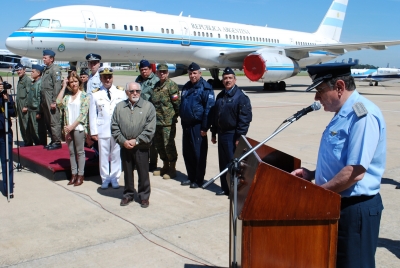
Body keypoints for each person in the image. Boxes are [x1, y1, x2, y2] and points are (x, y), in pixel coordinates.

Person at [291, 63, 386, 268]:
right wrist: (313, 174)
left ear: (340, 87)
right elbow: (340, 161)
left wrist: (318, 194)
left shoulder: (363, 115)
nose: (316, 98)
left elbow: (355, 172)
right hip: (337, 203)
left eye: (320, 90)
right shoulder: (343, 112)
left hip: (355, 209)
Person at [111, 82, 156, 208]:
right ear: (126, 92)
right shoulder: (120, 107)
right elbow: (114, 126)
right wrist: (123, 141)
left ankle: (144, 196)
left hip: (141, 147)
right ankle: (128, 194)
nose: (135, 93)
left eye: (137, 91)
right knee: (127, 173)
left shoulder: (148, 107)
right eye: (131, 91)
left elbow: (150, 129)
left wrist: (136, 140)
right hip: (125, 146)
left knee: (143, 173)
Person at [211, 67, 252, 196]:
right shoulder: (220, 95)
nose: (227, 80)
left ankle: (235, 190)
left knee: (233, 164)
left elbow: (244, 118)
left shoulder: (241, 97)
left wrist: (239, 137)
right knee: (223, 163)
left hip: (232, 135)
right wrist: (213, 132)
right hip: (222, 134)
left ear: (235, 79)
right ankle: (225, 187)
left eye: (230, 78)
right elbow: (215, 115)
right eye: (225, 78)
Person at [89, 67, 126, 189]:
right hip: (102, 129)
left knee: (116, 155)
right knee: (104, 155)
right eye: (104, 77)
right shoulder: (95, 94)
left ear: (112, 77)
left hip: (117, 130)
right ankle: (105, 178)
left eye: (109, 76)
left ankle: (115, 178)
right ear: (100, 78)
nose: (107, 79)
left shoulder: (121, 93)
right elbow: (93, 114)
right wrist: (93, 132)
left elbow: (124, 112)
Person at [180, 62, 215, 188]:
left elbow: (209, 109)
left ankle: (199, 179)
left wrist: (205, 127)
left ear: (200, 73)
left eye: (195, 73)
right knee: (187, 153)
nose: (192, 75)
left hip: (198, 126)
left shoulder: (206, 88)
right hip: (187, 125)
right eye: (190, 73)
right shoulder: (186, 87)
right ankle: (191, 177)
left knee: (198, 153)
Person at [57, 71, 90, 186]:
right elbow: (58, 102)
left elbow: (83, 114)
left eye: (75, 81)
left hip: (78, 127)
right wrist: (63, 87)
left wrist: (72, 127)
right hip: (68, 127)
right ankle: (73, 174)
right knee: (71, 152)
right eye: (71, 82)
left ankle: (81, 175)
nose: (74, 84)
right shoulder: (67, 97)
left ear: (79, 82)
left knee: (80, 152)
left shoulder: (84, 95)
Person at [150, 64, 180, 180]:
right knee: (159, 145)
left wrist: (174, 117)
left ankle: (172, 168)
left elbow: (177, 104)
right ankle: (165, 166)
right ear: (157, 73)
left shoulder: (171, 85)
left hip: (168, 122)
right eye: (160, 72)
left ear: (167, 73)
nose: (162, 73)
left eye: (164, 72)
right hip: (157, 122)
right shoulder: (156, 86)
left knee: (169, 145)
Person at [135, 59, 159, 171]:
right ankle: (142, 160)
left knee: (152, 140)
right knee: (141, 138)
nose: (144, 72)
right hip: (139, 114)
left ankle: (153, 163)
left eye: (146, 69)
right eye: (142, 70)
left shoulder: (156, 80)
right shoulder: (138, 80)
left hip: (151, 113)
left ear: (150, 69)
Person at [41, 49, 62, 150]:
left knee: (54, 120)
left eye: (45, 58)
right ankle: (53, 140)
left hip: (51, 97)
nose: (43, 59)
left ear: (51, 59)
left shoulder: (55, 69)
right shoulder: (46, 69)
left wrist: (54, 101)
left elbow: (57, 86)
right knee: (48, 120)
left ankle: (57, 141)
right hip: (45, 98)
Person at [0, 76, 15, 198]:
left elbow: (13, 113)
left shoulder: (6, 97)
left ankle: (8, 188)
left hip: (5, 133)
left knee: (7, 161)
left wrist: (8, 101)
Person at [26, 64, 46, 146]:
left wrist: (39, 112)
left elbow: (40, 99)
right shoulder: (34, 83)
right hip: (31, 110)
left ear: (38, 73)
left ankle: (41, 146)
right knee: (33, 131)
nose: (31, 73)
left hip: (36, 111)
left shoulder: (40, 83)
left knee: (38, 131)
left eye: (33, 71)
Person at [15, 63, 32, 146]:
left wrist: (26, 106)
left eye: (20, 70)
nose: (18, 71)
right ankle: (26, 141)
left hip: (24, 106)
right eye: (17, 70)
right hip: (19, 106)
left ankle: (28, 142)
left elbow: (29, 94)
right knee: (21, 125)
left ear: (24, 70)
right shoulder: (20, 79)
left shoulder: (27, 80)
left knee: (26, 125)